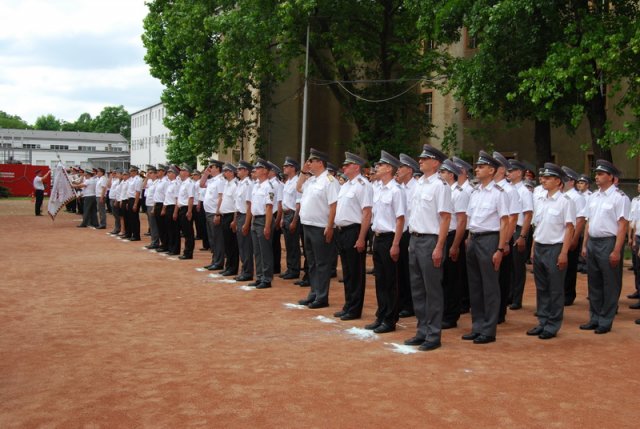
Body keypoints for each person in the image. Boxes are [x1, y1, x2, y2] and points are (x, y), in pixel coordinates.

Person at [404, 145, 451, 351]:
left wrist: (439, 246)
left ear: (436, 163)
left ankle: (433, 335)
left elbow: (445, 218)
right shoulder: (418, 184)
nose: (420, 161)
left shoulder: (440, 186)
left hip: (430, 240)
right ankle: (422, 330)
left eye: (425, 159)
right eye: (420, 158)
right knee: (417, 289)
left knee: (432, 290)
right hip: (415, 239)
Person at [463, 151, 509, 344]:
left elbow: (505, 222)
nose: (477, 169)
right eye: (477, 166)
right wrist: (467, 238)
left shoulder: (499, 193)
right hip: (474, 239)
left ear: (491, 170)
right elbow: (470, 218)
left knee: (489, 286)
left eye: (481, 167)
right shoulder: (475, 192)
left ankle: (489, 330)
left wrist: (500, 249)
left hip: (490, 240)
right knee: (474, 285)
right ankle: (477, 325)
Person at [580, 159, 630, 334]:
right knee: (594, 282)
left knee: (610, 283)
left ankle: (605, 320)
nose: (597, 177)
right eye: (596, 174)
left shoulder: (620, 198)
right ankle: (594, 317)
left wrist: (617, 250)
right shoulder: (593, 197)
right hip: (593, 241)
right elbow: (589, 222)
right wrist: (585, 245)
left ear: (611, 177)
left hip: (609, 242)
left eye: (601, 174)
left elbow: (622, 225)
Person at [528, 163, 575, 339]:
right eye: (543, 178)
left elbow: (569, 228)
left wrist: (564, 253)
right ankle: (542, 321)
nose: (543, 180)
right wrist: (533, 248)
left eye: (548, 178)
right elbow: (537, 226)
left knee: (555, 288)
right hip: (540, 246)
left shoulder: (565, 202)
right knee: (541, 288)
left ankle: (553, 324)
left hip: (555, 248)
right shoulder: (540, 200)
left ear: (558, 181)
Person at [365, 150, 406, 333]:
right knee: (380, 280)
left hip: (390, 238)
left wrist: (396, 244)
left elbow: (400, 219)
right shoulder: (379, 189)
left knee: (390, 281)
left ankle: (390, 319)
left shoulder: (396, 191)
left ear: (389, 168)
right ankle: (381, 315)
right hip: (378, 236)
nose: (377, 168)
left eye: (380, 165)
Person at [333, 152, 373, 321]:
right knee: (347, 271)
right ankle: (348, 305)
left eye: (347, 165)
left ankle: (355, 309)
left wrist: (362, 237)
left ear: (356, 167)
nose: (344, 167)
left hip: (354, 231)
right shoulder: (346, 185)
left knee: (356, 272)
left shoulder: (362, 185)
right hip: (342, 231)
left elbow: (367, 213)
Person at [297, 148, 339, 308]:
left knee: (322, 263)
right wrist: (303, 172)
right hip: (308, 226)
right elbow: (298, 187)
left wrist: (330, 227)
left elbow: (334, 206)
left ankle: (322, 296)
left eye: (311, 161)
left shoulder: (329, 181)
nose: (308, 164)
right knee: (312, 263)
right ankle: (314, 292)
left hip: (321, 227)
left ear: (320, 162)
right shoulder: (312, 180)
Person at [439, 159, 470, 329]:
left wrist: (455, 245)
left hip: (452, 236)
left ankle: (451, 315)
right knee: (442, 277)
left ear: (451, 175)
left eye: (443, 172)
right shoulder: (443, 191)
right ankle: (443, 310)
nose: (440, 175)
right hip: (442, 235)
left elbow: (461, 221)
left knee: (452, 277)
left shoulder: (459, 193)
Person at [492, 152, 521, 322]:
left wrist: (506, 242)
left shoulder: (510, 190)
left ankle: (499, 312)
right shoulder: (488, 189)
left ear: (502, 169)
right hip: (488, 236)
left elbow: (513, 218)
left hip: (501, 236)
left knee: (501, 277)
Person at [506, 159, 533, 310]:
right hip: (508, 228)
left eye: (511, 171)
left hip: (518, 229)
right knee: (508, 264)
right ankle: (509, 295)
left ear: (519, 173)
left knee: (517, 266)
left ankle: (517, 298)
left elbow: (528, 215)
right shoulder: (507, 189)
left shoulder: (524, 192)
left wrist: (522, 236)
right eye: (508, 171)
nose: (508, 173)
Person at [396, 153, 420, 319]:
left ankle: (410, 304)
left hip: (410, 232)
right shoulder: (401, 188)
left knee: (409, 271)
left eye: (401, 167)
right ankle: (403, 301)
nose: (398, 170)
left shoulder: (416, 187)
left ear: (410, 170)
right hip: (400, 232)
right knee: (400, 271)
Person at [560, 166, 587, 306]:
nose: (562, 182)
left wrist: (575, 238)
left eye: (565, 180)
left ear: (572, 182)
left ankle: (569, 294)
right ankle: (561, 293)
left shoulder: (577, 197)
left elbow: (580, 220)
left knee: (570, 267)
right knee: (560, 267)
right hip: (561, 236)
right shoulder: (561, 196)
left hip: (571, 236)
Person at [248, 158, 275, 289]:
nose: (256, 170)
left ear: (265, 171)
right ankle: (259, 277)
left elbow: (269, 208)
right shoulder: (256, 185)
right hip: (255, 218)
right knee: (257, 251)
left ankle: (267, 278)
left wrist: (267, 226)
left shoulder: (268, 187)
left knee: (265, 251)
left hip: (264, 219)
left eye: (258, 168)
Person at [200, 160, 226, 270]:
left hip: (214, 213)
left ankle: (219, 262)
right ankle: (214, 260)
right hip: (208, 212)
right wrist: (205, 174)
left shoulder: (220, 180)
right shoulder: (212, 180)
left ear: (218, 168)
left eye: (212, 167)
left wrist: (217, 213)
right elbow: (201, 184)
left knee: (217, 238)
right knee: (212, 238)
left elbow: (221, 197)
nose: (210, 168)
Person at [280, 156, 302, 280]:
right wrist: (283, 217)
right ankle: (290, 268)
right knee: (288, 244)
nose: (284, 168)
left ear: (293, 168)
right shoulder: (288, 182)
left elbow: (298, 204)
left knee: (293, 245)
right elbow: (285, 202)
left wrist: (294, 220)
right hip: (286, 214)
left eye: (287, 166)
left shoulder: (297, 182)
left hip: (293, 214)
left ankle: (295, 270)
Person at [233, 160, 255, 282]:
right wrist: (235, 220)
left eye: (240, 169)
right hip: (240, 215)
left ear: (246, 171)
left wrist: (247, 223)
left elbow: (249, 206)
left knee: (246, 245)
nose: (238, 171)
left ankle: (247, 272)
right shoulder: (240, 183)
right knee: (241, 245)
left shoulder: (248, 185)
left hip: (245, 216)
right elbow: (237, 204)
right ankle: (244, 270)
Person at [219, 163, 239, 275]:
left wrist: (234, 220)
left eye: (226, 171)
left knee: (232, 243)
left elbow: (236, 205)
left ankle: (233, 268)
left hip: (231, 215)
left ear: (231, 172)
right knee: (227, 243)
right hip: (225, 215)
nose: (224, 173)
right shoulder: (227, 184)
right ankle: (228, 266)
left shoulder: (235, 185)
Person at [176, 164, 195, 259]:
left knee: (188, 232)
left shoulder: (189, 183)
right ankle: (186, 251)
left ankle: (188, 253)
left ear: (187, 172)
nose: (180, 172)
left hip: (186, 208)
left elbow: (191, 197)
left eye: (182, 170)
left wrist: (189, 211)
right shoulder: (183, 183)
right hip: (181, 208)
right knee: (185, 231)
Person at [162, 165, 181, 255]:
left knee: (174, 230)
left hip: (173, 207)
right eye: (168, 172)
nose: (168, 174)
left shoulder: (176, 184)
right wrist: (164, 209)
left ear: (174, 174)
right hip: (168, 207)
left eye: (170, 172)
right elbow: (166, 198)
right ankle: (170, 247)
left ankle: (175, 249)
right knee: (169, 229)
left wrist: (175, 212)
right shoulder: (170, 184)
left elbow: (177, 199)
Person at [153, 165, 169, 252]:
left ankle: (165, 244)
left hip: (163, 204)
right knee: (159, 226)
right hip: (157, 204)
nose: (157, 173)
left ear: (163, 172)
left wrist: (163, 208)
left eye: (159, 171)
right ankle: (163, 243)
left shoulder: (165, 182)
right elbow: (156, 196)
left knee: (163, 227)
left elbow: (166, 196)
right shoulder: (159, 181)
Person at [143, 166, 160, 249]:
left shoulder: (157, 183)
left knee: (154, 225)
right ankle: (154, 241)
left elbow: (157, 197)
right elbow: (143, 186)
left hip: (153, 205)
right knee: (151, 224)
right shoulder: (150, 182)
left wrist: (154, 207)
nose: (148, 174)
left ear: (155, 174)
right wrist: (146, 178)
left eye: (150, 173)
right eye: (148, 173)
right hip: (148, 204)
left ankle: (155, 242)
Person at [126, 166, 143, 241]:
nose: (130, 172)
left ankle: (136, 235)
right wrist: (127, 201)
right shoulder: (131, 179)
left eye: (132, 171)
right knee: (130, 217)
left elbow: (137, 192)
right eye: (130, 171)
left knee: (134, 218)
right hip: (130, 199)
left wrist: (135, 204)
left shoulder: (138, 179)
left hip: (135, 199)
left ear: (135, 172)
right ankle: (132, 233)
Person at [107, 170, 122, 235]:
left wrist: (116, 200)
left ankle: (118, 228)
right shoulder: (114, 180)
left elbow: (118, 192)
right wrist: (110, 177)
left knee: (117, 215)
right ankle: (117, 228)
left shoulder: (120, 181)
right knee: (115, 214)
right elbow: (108, 186)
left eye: (116, 173)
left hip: (115, 199)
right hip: (111, 198)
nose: (115, 174)